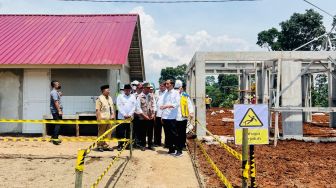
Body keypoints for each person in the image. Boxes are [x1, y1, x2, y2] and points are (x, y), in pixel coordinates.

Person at [160, 79, 181, 157]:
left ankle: (179, 150)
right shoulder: (165, 93)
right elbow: (163, 104)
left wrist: (166, 106)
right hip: (165, 116)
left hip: (172, 116)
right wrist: (162, 116)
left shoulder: (176, 93)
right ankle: (171, 149)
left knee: (174, 134)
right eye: (165, 84)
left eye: (167, 84)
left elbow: (176, 104)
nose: (166, 85)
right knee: (168, 134)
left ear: (172, 85)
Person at [116, 84, 137, 151]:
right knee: (120, 132)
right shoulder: (120, 96)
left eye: (129, 90)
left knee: (129, 132)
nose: (127, 91)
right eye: (126, 90)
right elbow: (118, 106)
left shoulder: (133, 97)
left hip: (130, 118)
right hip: (121, 117)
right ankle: (120, 145)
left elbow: (134, 106)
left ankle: (128, 145)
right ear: (124, 90)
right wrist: (124, 114)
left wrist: (130, 114)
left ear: (130, 90)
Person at [137, 82, 156, 151]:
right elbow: (138, 108)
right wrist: (144, 116)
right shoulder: (139, 96)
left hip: (150, 116)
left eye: (149, 88)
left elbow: (154, 105)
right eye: (147, 88)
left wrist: (153, 114)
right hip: (143, 117)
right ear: (144, 88)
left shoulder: (151, 95)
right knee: (143, 132)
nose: (148, 89)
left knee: (150, 132)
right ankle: (143, 145)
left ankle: (150, 145)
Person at [95, 85, 115, 152]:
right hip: (103, 119)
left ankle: (106, 145)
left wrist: (113, 114)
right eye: (107, 90)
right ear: (103, 91)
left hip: (109, 119)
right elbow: (98, 110)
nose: (109, 91)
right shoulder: (99, 99)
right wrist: (99, 119)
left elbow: (112, 107)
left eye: (109, 90)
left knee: (108, 133)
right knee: (101, 132)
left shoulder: (110, 98)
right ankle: (99, 145)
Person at [176, 81, 194, 152]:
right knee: (176, 133)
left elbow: (189, 104)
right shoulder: (173, 95)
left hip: (183, 117)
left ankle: (183, 145)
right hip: (175, 117)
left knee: (182, 132)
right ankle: (177, 146)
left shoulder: (185, 95)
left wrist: (191, 112)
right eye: (177, 88)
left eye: (180, 88)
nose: (179, 89)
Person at [50, 80, 63, 145]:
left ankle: (53, 137)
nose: (59, 85)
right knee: (58, 124)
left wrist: (60, 95)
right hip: (56, 111)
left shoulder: (56, 92)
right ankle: (55, 140)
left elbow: (57, 100)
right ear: (54, 85)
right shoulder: (54, 92)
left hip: (56, 111)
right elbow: (56, 102)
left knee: (57, 124)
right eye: (58, 84)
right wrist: (59, 111)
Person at [154, 81, 166, 147]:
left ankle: (167, 144)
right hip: (157, 113)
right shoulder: (156, 92)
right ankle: (157, 142)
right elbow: (155, 103)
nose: (161, 87)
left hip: (164, 115)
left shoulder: (167, 93)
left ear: (165, 86)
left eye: (162, 86)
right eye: (160, 86)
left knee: (166, 130)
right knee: (157, 129)